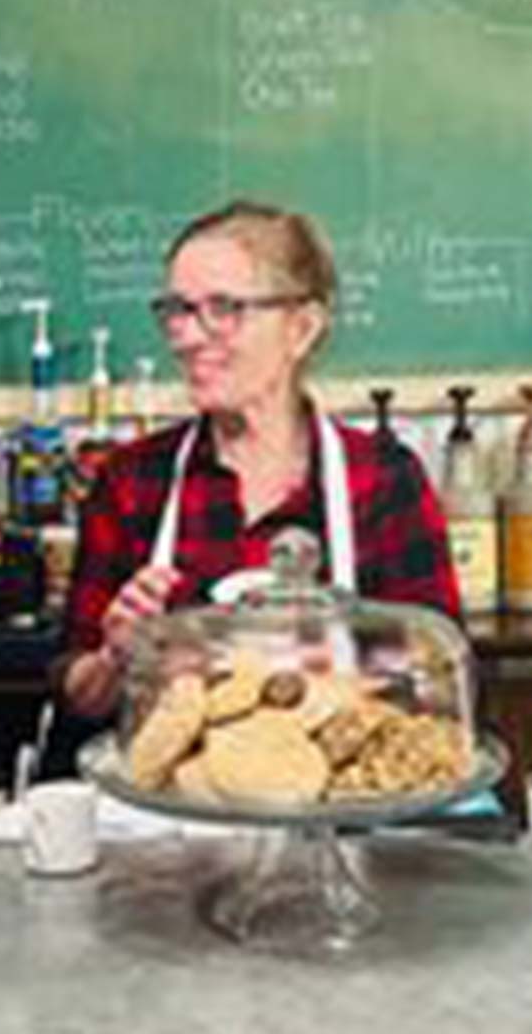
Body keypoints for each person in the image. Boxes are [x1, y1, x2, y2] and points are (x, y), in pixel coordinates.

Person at [56, 201, 459, 720]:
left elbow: (437, 680)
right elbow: (81, 699)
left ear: (302, 328)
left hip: (343, 797)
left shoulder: (383, 480)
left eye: (223, 308)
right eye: (177, 310)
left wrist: (273, 656)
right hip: (175, 797)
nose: (188, 336)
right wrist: (114, 657)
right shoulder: (131, 482)